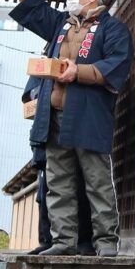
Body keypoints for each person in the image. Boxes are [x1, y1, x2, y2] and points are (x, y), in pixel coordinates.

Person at [6, 0, 133, 256]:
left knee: (97, 182)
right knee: (58, 183)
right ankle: (63, 242)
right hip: (54, 114)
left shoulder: (112, 28)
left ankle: (106, 243)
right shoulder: (62, 24)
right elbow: (35, 11)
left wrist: (79, 72)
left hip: (88, 115)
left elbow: (117, 65)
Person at [22, 77, 95, 256]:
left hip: (76, 125)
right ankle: (49, 239)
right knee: (46, 191)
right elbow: (28, 94)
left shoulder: (83, 57)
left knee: (80, 186)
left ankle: (84, 240)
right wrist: (41, 94)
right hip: (47, 128)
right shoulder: (48, 55)